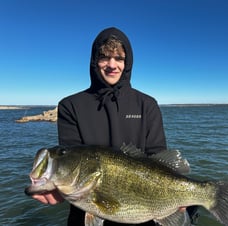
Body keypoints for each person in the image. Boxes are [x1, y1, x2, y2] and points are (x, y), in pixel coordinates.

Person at [32, 27, 195, 225]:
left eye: (119, 58)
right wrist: (54, 184)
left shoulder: (147, 104)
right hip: (84, 213)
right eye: (104, 57)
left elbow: (158, 156)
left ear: (127, 63)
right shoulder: (70, 106)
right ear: (94, 60)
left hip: (144, 215)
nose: (112, 65)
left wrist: (179, 193)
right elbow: (72, 157)